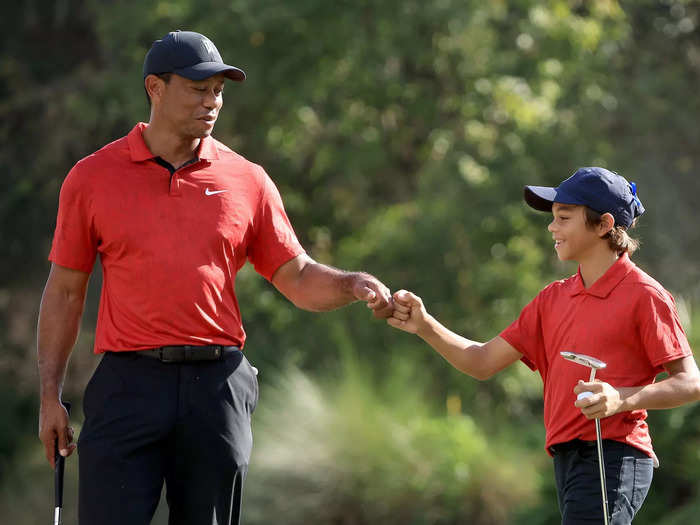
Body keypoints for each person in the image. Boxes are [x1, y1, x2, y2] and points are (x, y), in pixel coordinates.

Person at [37, 30, 393, 525]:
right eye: (198, 89)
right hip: (129, 383)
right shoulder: (92, 177)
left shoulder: (247, 179)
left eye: (218, 91)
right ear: (155, 89)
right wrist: (49, 394)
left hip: (217, 387)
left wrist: (352, 284)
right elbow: (65, 291)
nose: (212, 102)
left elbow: (298, 275)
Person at [387, 167, 700, 524]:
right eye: (553, 218)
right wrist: (424, 325)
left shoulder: (644, 295)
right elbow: (482, 361)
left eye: (564, 218)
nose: (552, 228)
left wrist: (621, 398)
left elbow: (690, 382)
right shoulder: (552, 299)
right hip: (566, 460)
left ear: (602, 225)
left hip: (613, 454)